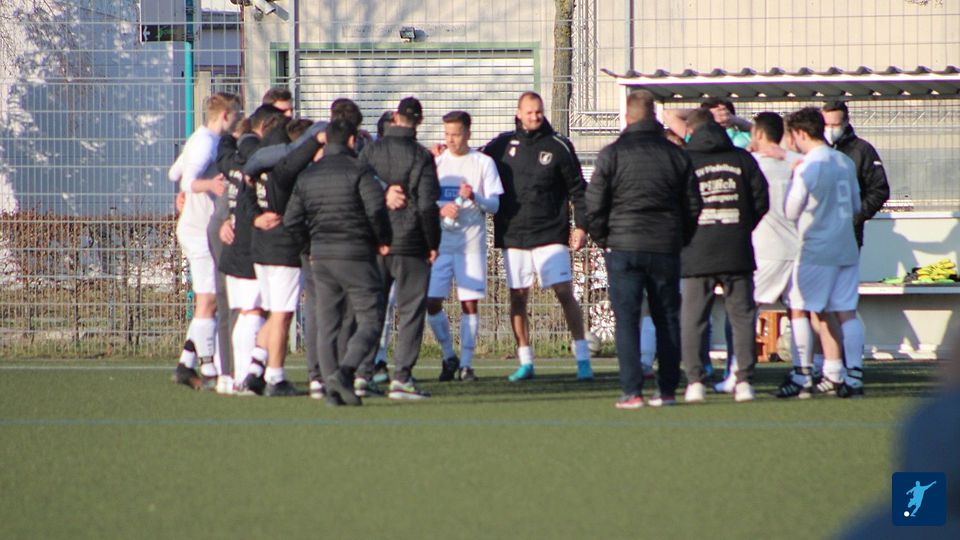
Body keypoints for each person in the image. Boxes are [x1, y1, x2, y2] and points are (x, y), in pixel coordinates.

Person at [585, 90, 701, 409]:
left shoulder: (611, 154)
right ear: (654, 116)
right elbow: (693, 204)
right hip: (665, 246)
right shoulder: (676, 155)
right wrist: (679, 238)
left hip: (623, 246)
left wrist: (604, 238)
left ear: (627, 117)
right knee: (667, 318)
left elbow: (594, 204)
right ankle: (667, 391)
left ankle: (631, 391)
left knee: (627, 319)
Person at [481, 91, 594, 382]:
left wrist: (581, 226)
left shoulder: (558, 146)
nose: (535, 116)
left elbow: (578, 189)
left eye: (539, 112)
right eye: (530, 112)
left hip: (550, 234)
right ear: (518, 113)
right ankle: (526, 361)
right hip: (513, 234)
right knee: (518, 297)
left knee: (564, 292)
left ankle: (583, 358)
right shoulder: (501, 145)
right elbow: (473, 162)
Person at [284, 119, 391, 407]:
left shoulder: (308, 175)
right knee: (371, 317)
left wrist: (308, 246)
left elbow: (291, 220)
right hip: (356, 255)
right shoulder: (359, 170)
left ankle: (331, 387)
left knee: (327, 323)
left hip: (321, 257)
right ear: (352, 140)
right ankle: (344, 373)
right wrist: (383, 239)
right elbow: (376, 209)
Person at [679, 109, 768, 404]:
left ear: (691, 131)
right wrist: (742, 226)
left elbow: (676, 203)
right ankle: (744, 381)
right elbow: (761, 200)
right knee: (742, 317)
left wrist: (687, 234)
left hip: (696, 250)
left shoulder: (685, 160)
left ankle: (695, 382)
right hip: (737, 249)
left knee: (693, 318)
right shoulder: (742, 159)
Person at [775, 107, 864, 399]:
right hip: (846, 247)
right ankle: (848, 375)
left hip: (816, 249)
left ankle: (802, 374)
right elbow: (856, 206)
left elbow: (790, 211)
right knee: (845, 313)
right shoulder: (844, 161)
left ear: (801, 133)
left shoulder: (807, 166)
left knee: (799, 307)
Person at [359, 96, 441, 400]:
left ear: (394, 117)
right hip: (411, 243)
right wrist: (433, 243)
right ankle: (402, 378)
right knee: (410, 313)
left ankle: (362, 374)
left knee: (371, 311)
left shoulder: (371, 151)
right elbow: (427, 205)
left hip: (374, 242)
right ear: (419, 121)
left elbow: (357, 187)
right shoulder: (421, 156)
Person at [716, 112, 802, 393]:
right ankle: (805, 372)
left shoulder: (749, 164)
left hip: (765, 249)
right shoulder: (795, 163)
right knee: (800, 312)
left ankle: (737, 373)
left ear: (759, 135)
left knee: (742, 311)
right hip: (799, 248)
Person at [426, 111, 504, 382]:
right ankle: (449, 355)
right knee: (431, 301)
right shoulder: (436, 162)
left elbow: (494, 205)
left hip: (471, 245)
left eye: (456, 134)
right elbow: (425, 200)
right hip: (441, 245)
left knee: (469, 303)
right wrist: (440, 210)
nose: (451, 140)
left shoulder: (483, 163)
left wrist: (475, 197)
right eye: (447, 134)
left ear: (468, 133)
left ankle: (467, 364)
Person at [170, 92, 241, 390]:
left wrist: (186, 190)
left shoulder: (200, 139)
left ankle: (186, 364)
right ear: (225, 115)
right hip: (197, 229)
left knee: (209, 300)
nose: (238, 119)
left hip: (198, 226)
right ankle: (209, 367)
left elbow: (174, 172)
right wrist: (207, 184)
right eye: (236, 114)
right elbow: (186, 179)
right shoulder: (205, 142)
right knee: (208, 299)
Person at [821, 101, 890, 248]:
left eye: (835, 125)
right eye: (827, 125)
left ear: (846, 122)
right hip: (817, 234)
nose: (830, 130)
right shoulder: (815, 150)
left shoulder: (862, 150)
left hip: (848, 235)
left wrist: (855, 216)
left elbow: (879, 189)